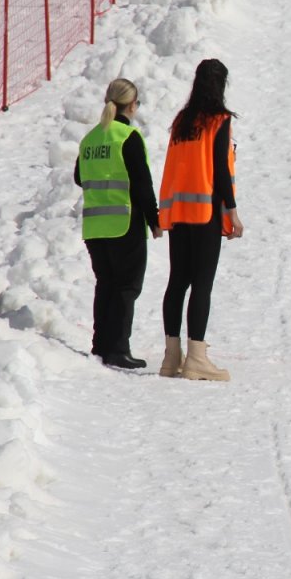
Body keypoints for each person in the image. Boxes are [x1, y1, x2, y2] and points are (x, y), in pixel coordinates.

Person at [157, 59, 243, 381]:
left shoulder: (181, 122)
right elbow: (221, 169)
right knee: (202, 284)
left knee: (177, 281)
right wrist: (232, 210)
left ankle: (171, 356)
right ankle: (196, 357)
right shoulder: (219, 121)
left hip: (179, 213)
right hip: (205, 212)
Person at [74, 78, 161, 369]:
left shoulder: (90, 138)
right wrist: (154, 220)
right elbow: (142, 184)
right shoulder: (127, 137)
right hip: (124, 223)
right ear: (132, 105)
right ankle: (119, 349)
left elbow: (78, 177)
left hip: (95, 227)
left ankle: (101, 345)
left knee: (106, 285)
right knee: (126, 287)